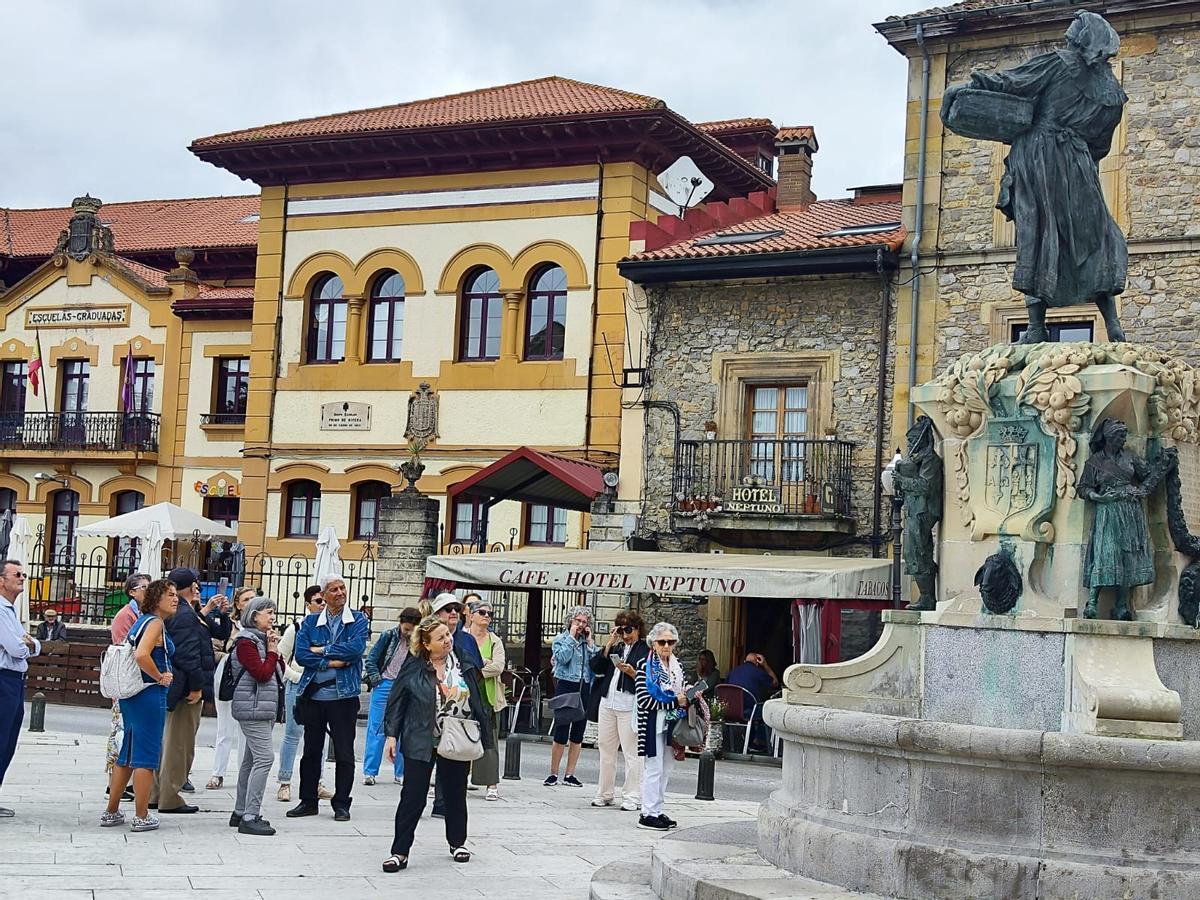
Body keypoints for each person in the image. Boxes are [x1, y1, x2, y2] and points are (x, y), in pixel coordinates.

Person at [380, 615, 493, 872]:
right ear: (427, 644)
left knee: (454, 793)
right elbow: (397, 701)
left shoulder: (463, 661)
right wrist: (391, 735)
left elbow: (478, 698)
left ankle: (458, 842)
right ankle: (399, 851)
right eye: (441, 637)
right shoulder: (414, 666)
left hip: (457, 737)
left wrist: (483, 730)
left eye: (448, 635)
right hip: (421, 737)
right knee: (413, 795)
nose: (448, 640)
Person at [286, 574, 369, 822]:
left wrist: (320, 650)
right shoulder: (310, 623)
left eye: (343, 587)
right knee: (311, 750)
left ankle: (342, 803)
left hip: (343, 697)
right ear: (324, 594)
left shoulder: (358, 620)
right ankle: (308, 800)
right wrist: (331, 661)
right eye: (334, 589)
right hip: (314, 696)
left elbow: (355, 650)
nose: (340, 592)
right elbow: (301, 655)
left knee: (344, 751)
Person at [149, 567, 230, 815]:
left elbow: (219, 633)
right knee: (179, 745)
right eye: (196, 583)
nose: (198, 587)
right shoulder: (184, 614)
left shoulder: (187, 612)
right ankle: (170, 797)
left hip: (176, 687)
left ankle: (156, 793)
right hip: (184, 689)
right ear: (191, 586)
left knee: (167, 742)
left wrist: (222, 614)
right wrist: (196, 688)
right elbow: (187, 655)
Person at [100, 578, 177, 832]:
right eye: (170, 595)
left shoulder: (140, 621)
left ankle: (112, 811)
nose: (175, 599)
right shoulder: (155, 623)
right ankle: (141, 815)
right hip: (149, 693)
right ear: (157, 599)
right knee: (146, 755)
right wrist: (160, 677)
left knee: (127, 752)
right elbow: (142, 654)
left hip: (130, 695)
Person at [1079, 418, 1159, 621]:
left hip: (1130, 511)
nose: (1123, 440)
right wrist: (1098, 496)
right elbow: (1083, 488)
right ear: (1109, 437)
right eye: (1120, 436)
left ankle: (1121, 605)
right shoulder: (1095, 461)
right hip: (1107, 511)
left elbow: (1150, 475)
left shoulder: (1130, 457)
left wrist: (1142, 489)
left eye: (1124, 436)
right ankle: (1093, 603)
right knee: (1105, 554)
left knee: (1127, 555)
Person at [228, 597, 284, 836]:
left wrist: (274, 650)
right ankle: (251, 816)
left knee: (251, 761)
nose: (272, 617)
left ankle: (240, 811)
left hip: (261, 707)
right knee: (265, 759)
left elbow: (276, 669)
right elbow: (262, 674)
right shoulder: (246, 642)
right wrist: (272, 652)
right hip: (252, 708)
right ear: (253, 615)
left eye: (273, 613)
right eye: (268, 613)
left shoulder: (260, 640)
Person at [275, 586, 332, 803]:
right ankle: (285, 781)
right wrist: (293, 676)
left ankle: (316, 782)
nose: (323, 604)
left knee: (320, 737)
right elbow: (280, 656)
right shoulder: (297, 628)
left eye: (324, 601)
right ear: (308, 604)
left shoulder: (330, 628)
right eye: (318, 601)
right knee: (292, 733)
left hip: (322, 686)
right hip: (298, 685)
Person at [428, 592, 483, 816]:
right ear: (436, 614)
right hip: (429, 713)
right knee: (426, 759)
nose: (453, 613)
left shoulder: (466, 639)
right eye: (447, 609)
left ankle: (442, 804)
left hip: (457, 713)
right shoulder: (424, 637)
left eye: (456, 610)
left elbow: (476, 670)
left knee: (450, 756)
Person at [588, 610, 648, 812]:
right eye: (621, 630)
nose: (625, 634)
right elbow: (595, 666)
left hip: (629, 704)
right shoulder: (617, 646)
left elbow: (648, 677)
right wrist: (608, 644)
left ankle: (632, 796)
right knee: (606, 749)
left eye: (628, 630)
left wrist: (632, 673)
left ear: (637, 629)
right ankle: (604, 793)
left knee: (632, 753)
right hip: (608, 701)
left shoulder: (645, 649)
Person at [635, 621, 688, 831]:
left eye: (670, 641)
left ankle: (657, 809)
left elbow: (681, 691)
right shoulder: (644, 665)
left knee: (666, 767)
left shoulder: (677, 667)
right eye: (662, 642)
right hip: (652, 723)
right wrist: (675, 701)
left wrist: (689, 695)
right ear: (653, 644)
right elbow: (645, 700)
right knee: (653, 767)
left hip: (671, 722)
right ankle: (647, 813)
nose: (666, 646)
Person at [363, 606, 422, 786]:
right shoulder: (388, 636)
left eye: (411, 631)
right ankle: (370, 772)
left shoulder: (419, 642)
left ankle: (401, 772)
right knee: (377, 728)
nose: (408, 634)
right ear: (400, 624)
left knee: (404, 730)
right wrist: (378, 681)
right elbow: (371, 660)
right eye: (405, 630)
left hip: (406, 688)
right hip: (385, 684)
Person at [0, 559, 39, 818]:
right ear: (1, 580)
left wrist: (29, 644)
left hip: (14, 680)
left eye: (23, 574)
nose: (22, 578)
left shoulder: (11, 611)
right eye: (17, 574)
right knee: (2, 738)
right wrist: (27, 646)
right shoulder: (1, 611)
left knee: (9, 740)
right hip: (4, 679)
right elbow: (16, 648)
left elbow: (33, 644)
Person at [208, 586, 255, 790]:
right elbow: (214, 649)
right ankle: (218, 773)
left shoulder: (262, 626)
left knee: (247, 730)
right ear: (237, 603)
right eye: (246, 600)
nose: (250, 603)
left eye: (253, 599)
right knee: (225, 728)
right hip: (227, 676)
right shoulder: (230, 625)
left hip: (251, 679)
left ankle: (244, 774)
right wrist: (233, 659)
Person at [106, 573, 150, 786]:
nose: (148, 591)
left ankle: (125, 783)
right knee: (121, 731)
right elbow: (124, 648)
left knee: (132, 732)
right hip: (125, 680)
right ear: (131, 592)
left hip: (138, 682)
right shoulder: (126, 615)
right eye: (143, 587)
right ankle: (114, 782)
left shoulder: (144, 613)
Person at [544, 606, 596, 787]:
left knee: (578, 733)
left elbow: (595, 663)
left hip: (584, 686)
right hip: (567, 685)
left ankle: (570, 774)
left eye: (584, 622)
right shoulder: (561, 639)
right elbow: (563, 658)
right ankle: (553, 773)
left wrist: (589, 643)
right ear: (570, 621)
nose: (581, 625)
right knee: (561, 730)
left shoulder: (587, 642)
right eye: (578, 621)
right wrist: (572, 638)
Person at [465, 596, 506, 800]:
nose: (487, 617)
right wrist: (483, 663)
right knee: (460, 737)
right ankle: (458, 779)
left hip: (487, 696)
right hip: (464, 695)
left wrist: (477, 668)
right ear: (471, 615)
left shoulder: (494, 640)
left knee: (489, 741)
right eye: (482, 612)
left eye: (490, 614)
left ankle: (491, 784)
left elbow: (498, 666)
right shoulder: (462, 637)